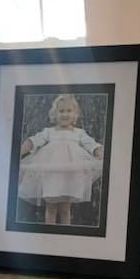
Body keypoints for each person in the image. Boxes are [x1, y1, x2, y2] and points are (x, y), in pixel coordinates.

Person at [17, 93, 104, 225]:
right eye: (61, 111)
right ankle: (50, 235)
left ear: (75, 114)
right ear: (54, 114)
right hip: (51, 175)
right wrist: (20, 150)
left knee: (65, 208)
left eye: (69, 111)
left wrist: (99, 152)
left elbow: (91, 144)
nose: (65, 114)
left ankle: (65, 235)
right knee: (50, 207)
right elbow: (34, 141)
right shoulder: (49, 132)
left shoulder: (79, 133)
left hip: (69, 176)